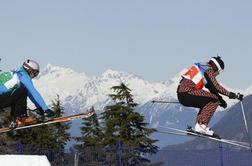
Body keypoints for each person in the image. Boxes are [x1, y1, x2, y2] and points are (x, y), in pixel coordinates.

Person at [177, 56, 243, 136]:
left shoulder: (203, 67)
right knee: (214, 100)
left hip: (183, 94)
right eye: (219, 72)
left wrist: (221, 101)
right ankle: (201, 125)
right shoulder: (209, 70)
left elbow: (212, 89)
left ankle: (199, 126)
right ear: (216, 67)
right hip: (188, 93)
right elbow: (216, 86)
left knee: (209, 100)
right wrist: (233, 95)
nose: (217, 74)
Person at [0, 59, 54, 128]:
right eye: (35, 73)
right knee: (22, 91)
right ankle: (20, 118)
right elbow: (33, 92)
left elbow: (30, 95)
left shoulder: (18, 74)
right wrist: (46, 109)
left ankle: (15, 119)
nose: (34, 75)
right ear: (29, 69)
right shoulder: (23, 76)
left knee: (19, 94)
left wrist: (40, 108)